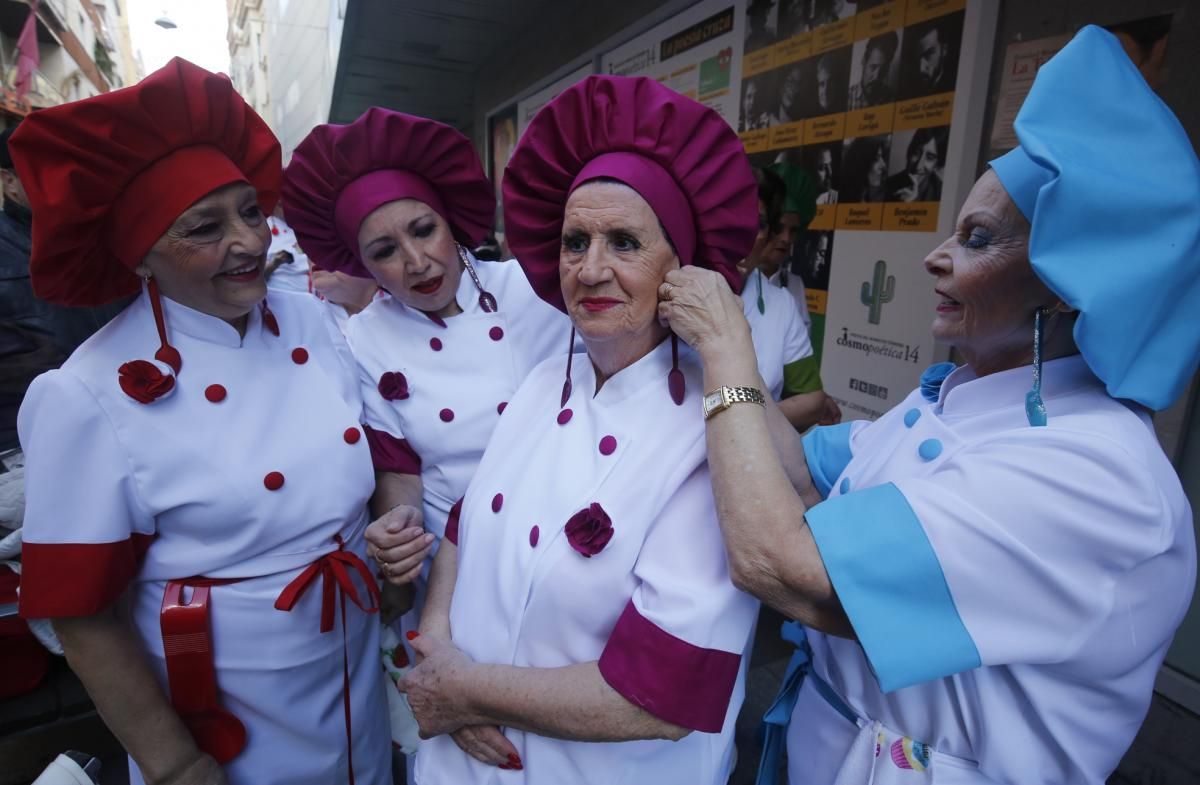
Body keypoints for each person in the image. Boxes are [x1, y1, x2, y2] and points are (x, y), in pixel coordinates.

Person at [658, 27, 1198, 785]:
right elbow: (803, 481)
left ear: (1068, 291)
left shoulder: (1100, 476)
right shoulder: (957, 397)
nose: (935, 255)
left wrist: (726, 347)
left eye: (976, 239)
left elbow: (785, 563)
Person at [13, 58, 390, 785]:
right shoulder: (86, 394)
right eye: (204, 228)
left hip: (352, 675)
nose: (249, 242)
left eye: (251, 211)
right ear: (144, 256)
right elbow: (83, 616)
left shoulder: (316, 321)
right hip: (229, 714)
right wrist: (175, 761)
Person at [394, 74, 762, 785]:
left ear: (680, 268)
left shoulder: (711, 431)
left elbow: (662, 693)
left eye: (624, 241)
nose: (591, 269)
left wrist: (464, 691)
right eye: (574, 241)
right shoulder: (539, 382)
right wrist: (435, 641)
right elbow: (466, 524)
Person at [281, 108, 572, 724]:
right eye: (385, 250)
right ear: (361, 262)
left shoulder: (535, 289)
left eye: (423, 230)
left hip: (567, 539)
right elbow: (399, 470)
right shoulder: (362, 342)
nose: (416, 262)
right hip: (454, 569)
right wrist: (397, 532)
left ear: (452, 222)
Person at [741, 167, 827, 431]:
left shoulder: (780, 302)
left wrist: (740, 419)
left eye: (761, 223)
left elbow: (812, 400)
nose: (743, 232)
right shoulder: (673, 290)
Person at [885, 126, 947, 202]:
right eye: (916, 153)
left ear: (937, 164)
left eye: (930, 158)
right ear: (910, 152)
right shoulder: (887, 185)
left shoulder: (942, 194)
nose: (918, 166)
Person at [263, 201, 310, 293]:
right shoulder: (263, 229)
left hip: (316, 296)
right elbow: (258, 278)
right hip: (282, 296)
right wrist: (275, 263)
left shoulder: (306, 224)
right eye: (280, 203)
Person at [848, 31, 899, 109]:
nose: (876, 77)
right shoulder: (847, 97)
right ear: (864, 61)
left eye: (883, 70)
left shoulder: (893, 99)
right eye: (873, 67)